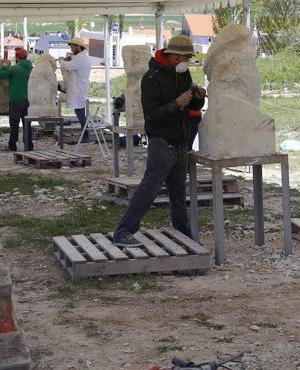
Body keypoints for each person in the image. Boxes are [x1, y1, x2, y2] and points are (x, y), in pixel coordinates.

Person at [112, 35, 206, 247]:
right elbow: (152, 114)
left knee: (178, 192)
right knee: (149, 189)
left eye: (189, 57)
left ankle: (182, 231)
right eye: (185, 57)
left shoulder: (182, 74)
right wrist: (176, 103)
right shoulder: (152, 78)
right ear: (172, 56)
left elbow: (193, 108)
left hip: (181, 140)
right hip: (162, 141)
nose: (187, 61)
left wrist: (198, 96)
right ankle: (124, 231)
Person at [58, 37, 92, 142]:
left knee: (81, 114)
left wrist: (61, 60)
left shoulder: (82, 59)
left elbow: (68, 66)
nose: (71, 49)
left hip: (79, 90)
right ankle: (84, 135)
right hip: (77, 88)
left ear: (78, 47)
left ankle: (85, 136)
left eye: (73, 47)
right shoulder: (79, 58)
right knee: (79, 112)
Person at [0, 47, 32, 151]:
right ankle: (29, 145)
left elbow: (2, 75)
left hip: (16, 101)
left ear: (17, 58)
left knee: (14, 124)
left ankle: (12, 145)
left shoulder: (14, 69)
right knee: (27, 124)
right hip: (29, 101)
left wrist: (4, 65)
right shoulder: (32, 69)